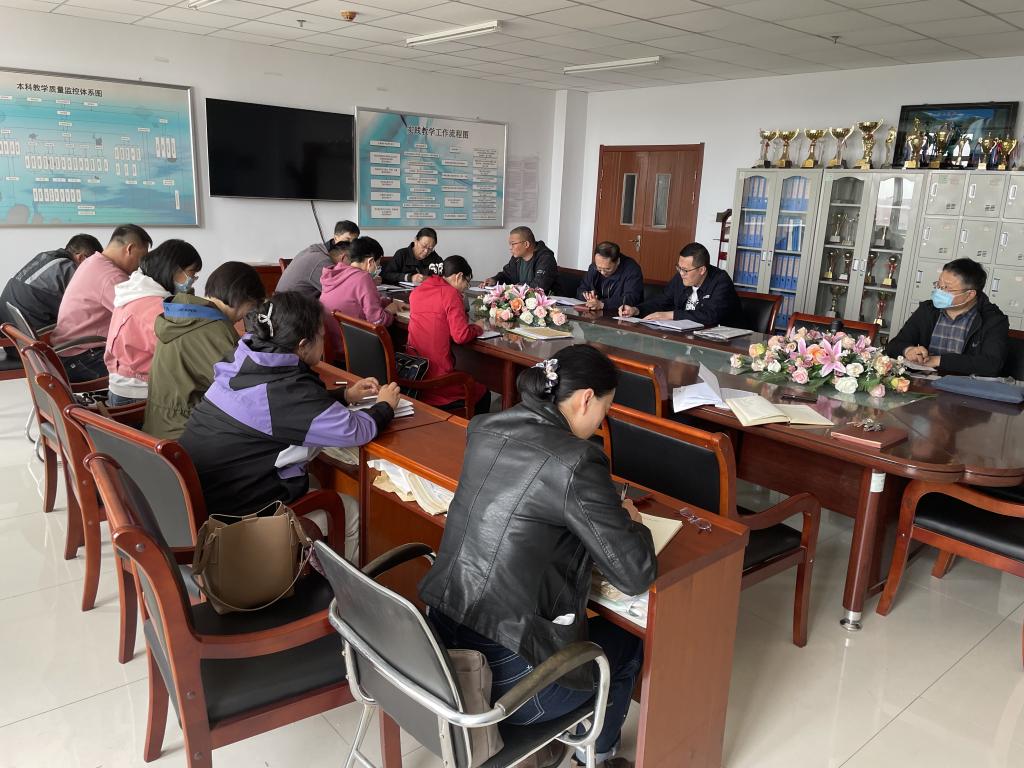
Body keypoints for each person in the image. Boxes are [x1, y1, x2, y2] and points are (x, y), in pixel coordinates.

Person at [420, 345, 657, 768]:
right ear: (586, 398)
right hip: (509, 685)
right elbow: (635, 573)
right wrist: (631, 520)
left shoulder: (485, 427)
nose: (601, 422)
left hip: (439, 650)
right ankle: (598, 755)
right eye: (604, 410)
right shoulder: (576, 460)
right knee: (629, 645)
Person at [179, 291, 400, 562]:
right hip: (235, 523)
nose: (325, 342)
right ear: (303, 345)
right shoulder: (286, 390)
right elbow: (355, 430)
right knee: (351, 511)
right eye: (322, 336)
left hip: (202, 503)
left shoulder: (244, 359)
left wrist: (345, 395)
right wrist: (385, 406)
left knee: (315, 480)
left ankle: (306, 563)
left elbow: (278, 409)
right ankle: (342, 588)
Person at [144, 261, 267, 440]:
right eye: (253, 306)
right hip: (184, 433)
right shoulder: (214, 328)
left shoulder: (182, 315)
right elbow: (242, 387)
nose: (246, 316)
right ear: (242, 297)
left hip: (158, 426)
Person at [104, 240, 203, 406]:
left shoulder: (133, 292)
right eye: (191, 273)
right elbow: (179, 354)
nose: (193, 279)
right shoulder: (154, 307)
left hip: (120, 386)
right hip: (140, 393)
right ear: (174, 269)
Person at [51, 224, 152, 382]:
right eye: (141, 258)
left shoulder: (92, 262)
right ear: (130, 249)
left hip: (67, 351)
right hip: (82, 358)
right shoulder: (112, 276)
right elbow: (140, 318)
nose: (139, 266)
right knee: (155, 371)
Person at [886, 257, 1009, 376]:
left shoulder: (993, 320)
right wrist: (908, 350)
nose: (939, 291)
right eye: (939, 285)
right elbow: (894, 345)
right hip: (923, 380)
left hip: (963, 385)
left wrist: (937, 360)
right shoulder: (928, 310)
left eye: (947, 288)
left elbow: (992, 364)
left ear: (970, 294)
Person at [406, 255, 490, 415]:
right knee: (483, 392)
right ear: (459, 276)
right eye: (467, 282)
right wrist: (478, 327)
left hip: (415, 373)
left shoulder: (418, 291)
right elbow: (461, 336)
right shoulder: (450, 294)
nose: (466, 287)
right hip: (437, 380)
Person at [619, 242, 742, 327]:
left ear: (702, 270)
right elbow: (661, 300)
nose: (681, 273)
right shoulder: (681, 277)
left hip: (721, 342)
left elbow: (710, 316)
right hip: (687, 335)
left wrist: (671, 315)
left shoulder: (721, 281)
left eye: (685, 270)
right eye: (679, 268)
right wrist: (636, 310)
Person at [0, 234, 103, 334]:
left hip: (8, 326)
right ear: (81, 258)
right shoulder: (69, 268)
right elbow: (83, 311)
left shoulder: (45, 256)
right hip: (30, 335)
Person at [319, 236, 406, 352]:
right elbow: (378, 321)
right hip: (354, 349)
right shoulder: (363, 278)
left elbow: (355, 302)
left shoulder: (335, 273)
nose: (377, 269)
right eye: (378, 264)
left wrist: (388, 302)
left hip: (331, 343)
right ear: (370, 262)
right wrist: (390, 310)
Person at [277, 219, 360, 298]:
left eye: (355, 242)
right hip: (288, 307)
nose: (352, 246)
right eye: (347, 240)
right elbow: (342, 295)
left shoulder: (316, 249)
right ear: (335, 238)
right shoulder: (322, 261)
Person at [483, 226, 559, 293]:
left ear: (526, 244)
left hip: (546, 302)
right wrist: (495, 280)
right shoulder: (517, 258)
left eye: (513, 244)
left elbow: (539, 285)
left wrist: (515, 286)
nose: (510, 248)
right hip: (521, 301)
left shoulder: (546, 258)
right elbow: (506, 275)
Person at [575, 241, 644, 313]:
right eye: (599, 268)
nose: (602, 272)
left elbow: (631, 298)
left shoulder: (632, 269)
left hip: (621, 314)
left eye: (607, 269)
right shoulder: (594, 267)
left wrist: (602, 304)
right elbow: (581, 289)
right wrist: (587, 296)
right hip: (595, 313)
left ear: (618, 261)